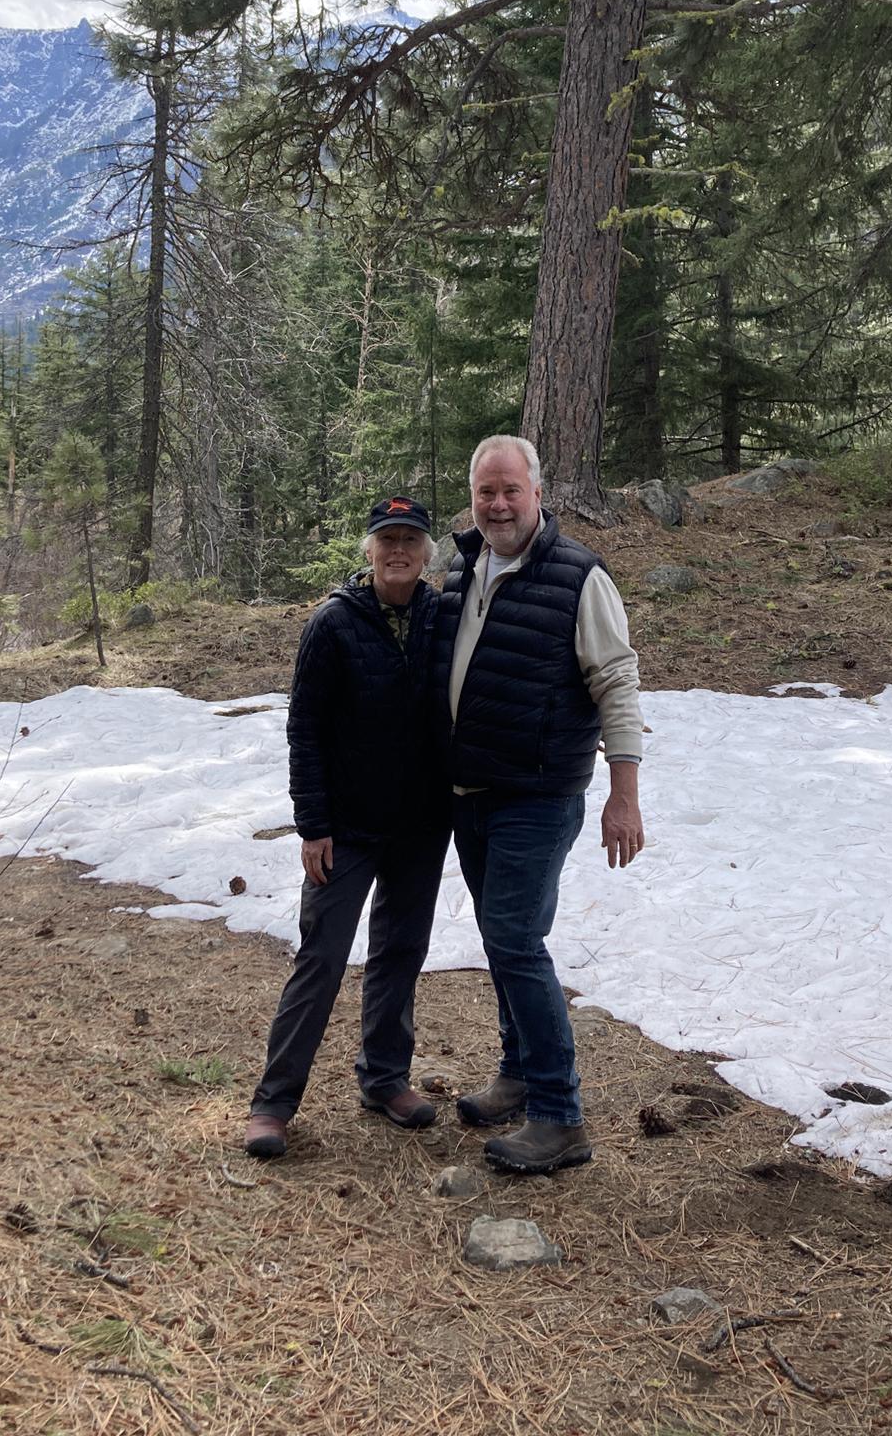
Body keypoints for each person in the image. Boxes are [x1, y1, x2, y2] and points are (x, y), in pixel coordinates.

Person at [434, 435, 645, 1175]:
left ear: (538, 495)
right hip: (470, 795)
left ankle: (560, 1115)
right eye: (485, 491)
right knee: (502, 940)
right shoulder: (462, 566)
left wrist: (624, 794)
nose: (496, 504)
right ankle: (519, 1073)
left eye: (509, 491)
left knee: (516, 940)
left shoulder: (580, 577)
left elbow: (616, 682)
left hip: (538, 794)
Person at [243, 496, 451, 1159]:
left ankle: (385, 1079)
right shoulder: (333, 623)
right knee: (323, 958)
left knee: (399, 954)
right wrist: (314, 825)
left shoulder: (440, 617)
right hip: (347, 828)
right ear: (368, 550)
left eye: (410, 540)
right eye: (387, 539)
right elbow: (304, 729)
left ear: (425, 553)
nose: (398, 551)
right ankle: (273, 1105)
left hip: (421, 825)